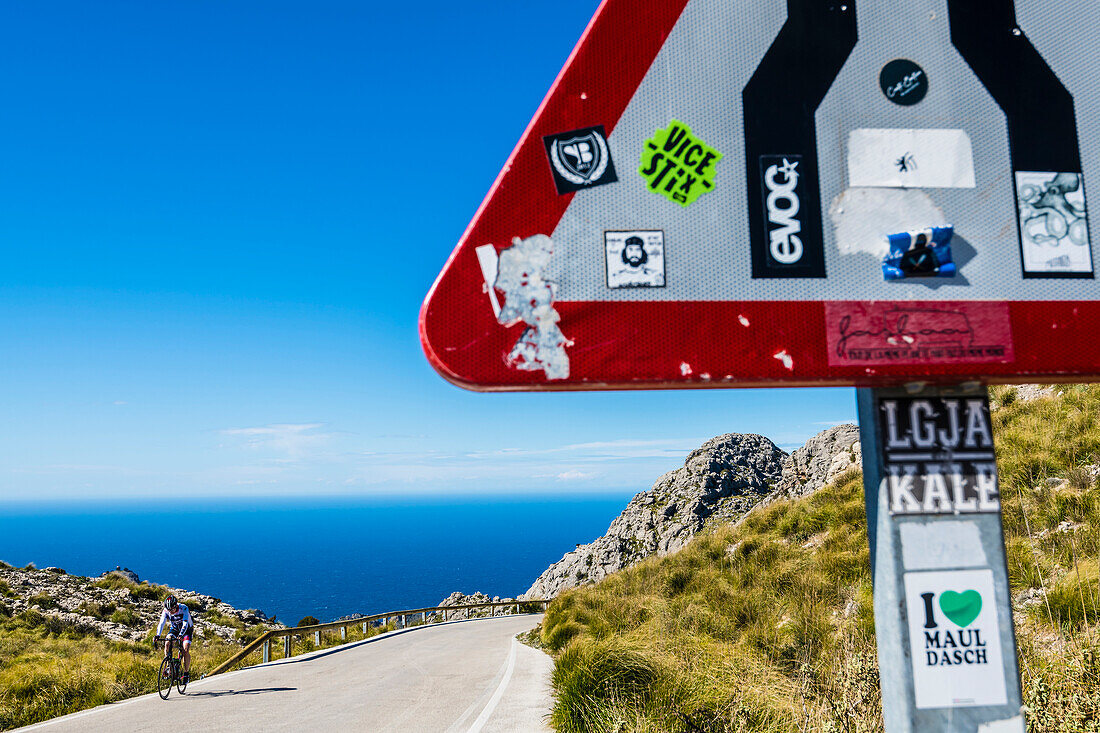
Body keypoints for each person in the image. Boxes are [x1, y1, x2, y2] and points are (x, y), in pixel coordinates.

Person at [155, 595, 194, 683]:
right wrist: (157, 635)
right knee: (167, 643)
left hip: (187, 629)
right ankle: (169, 665)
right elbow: (161, 623)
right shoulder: (166, 610)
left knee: (185, 649)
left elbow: (185, 623)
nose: (171, 612)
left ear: (176, 605)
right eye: (169, 610)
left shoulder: (183, 608)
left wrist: (181, 635)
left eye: (172, 609)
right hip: (175, 629)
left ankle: (186, 673)